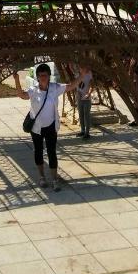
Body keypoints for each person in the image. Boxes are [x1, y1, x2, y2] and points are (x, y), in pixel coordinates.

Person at [13, 63, 81, 191]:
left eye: (45, 75)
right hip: (36, 128)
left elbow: (71, 86)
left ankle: (55, 179)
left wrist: (82, 76)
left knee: (52, 153)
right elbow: (21, 95)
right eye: (40, 75)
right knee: (38, 152)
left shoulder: (55, 88)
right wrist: (16, 80)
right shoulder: (33, 90)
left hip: (50, 127)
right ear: (37, 77)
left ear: (49, 76)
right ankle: (42, 177)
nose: (43, 77)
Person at [76, 65, 93, 139]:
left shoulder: (89, 74)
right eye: (80, 68)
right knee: (81, 114)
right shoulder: (77, 75)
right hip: (79, 98)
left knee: (86, 115)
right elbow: (76, 85)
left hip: (86, 98)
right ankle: (82, 130)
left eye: (83, 68)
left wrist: (88, 94)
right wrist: (78, 93)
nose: (81, 69)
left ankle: (87, 132)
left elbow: (91, 85)